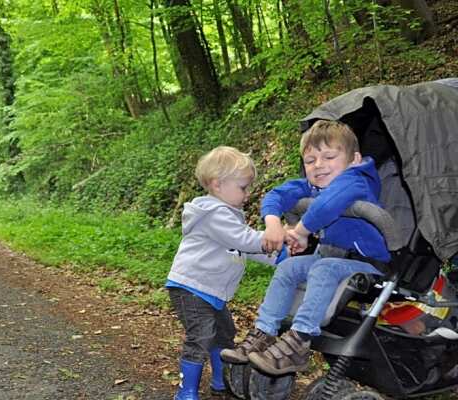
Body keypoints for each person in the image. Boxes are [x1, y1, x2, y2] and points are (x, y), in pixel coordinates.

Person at [220, 120, 390, 376]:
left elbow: (327, 206)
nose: (318, 165)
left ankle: (299, 340)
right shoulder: (313, 185)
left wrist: (299, 232)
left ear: (354, 159)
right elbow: (276, 195)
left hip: (366, 261)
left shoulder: (357, 179)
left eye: (329, 156)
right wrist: (273, 223)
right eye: (310, 160)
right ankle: (264, 333)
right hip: (331, 257)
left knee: (323, 268)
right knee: (288, 267)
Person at [166, 146, 278, 400]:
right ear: (217, 185)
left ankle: (221, 381)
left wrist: (278, 256)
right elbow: (245, 239)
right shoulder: (214, 213)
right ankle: (186, 391)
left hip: (211, 291)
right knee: (201, 336)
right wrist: (273, 236)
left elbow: (245, 248)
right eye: (243, 187)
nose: (248, 194)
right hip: (191, 287)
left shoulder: (228, 215)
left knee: (225, 335)